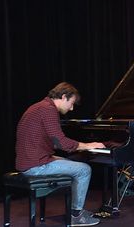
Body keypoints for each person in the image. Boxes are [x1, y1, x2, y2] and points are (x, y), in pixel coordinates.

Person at [15, 82, 105, 226]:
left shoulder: (38, 107)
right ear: (64, 97)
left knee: (68, 162)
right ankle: (76, 215)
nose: (72, 108)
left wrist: (74, 149)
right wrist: (87, 145)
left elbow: (53, 143)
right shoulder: (48, 110)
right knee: (84, 169)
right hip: (34, 166)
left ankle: (75, 209)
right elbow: (60, 142)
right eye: (72, 103)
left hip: (27, 161)